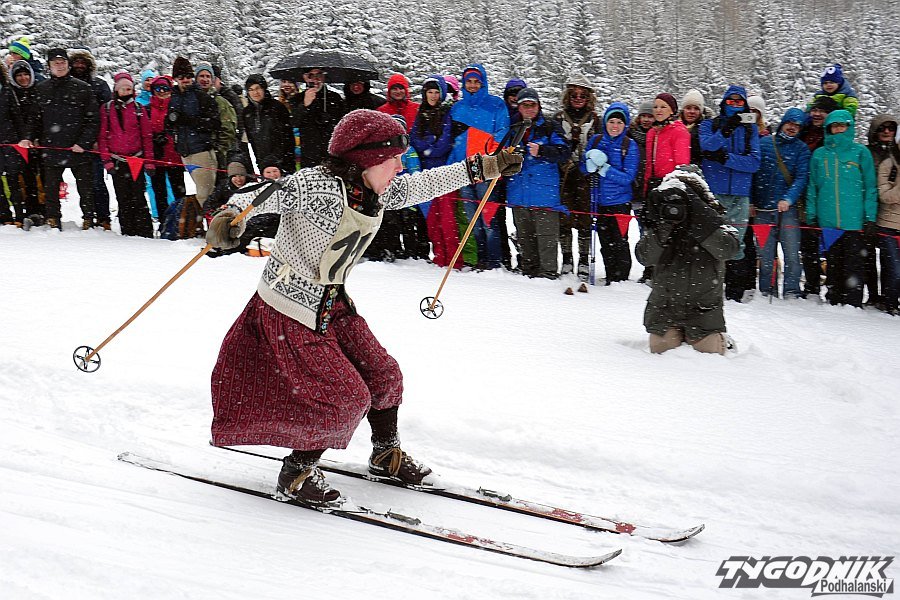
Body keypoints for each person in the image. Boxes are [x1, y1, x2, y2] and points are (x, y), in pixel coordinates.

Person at [204, 109, 522, 504]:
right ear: (366, 160)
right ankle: (297, 471)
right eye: (393, 160)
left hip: (331, 302)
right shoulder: (314, 186)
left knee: (384, 376)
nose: (400, 168)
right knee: (345, 396)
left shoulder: (377, 190)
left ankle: (385, 454)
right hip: (288, 308)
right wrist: (230, 216)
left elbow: (427, 182)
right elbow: (261, 195)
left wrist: (487, 166)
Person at [635, 165, 740, 354]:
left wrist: (699, 219)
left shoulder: (714, 218)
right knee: (661, 349)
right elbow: (645, 256)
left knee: (708, 352)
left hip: (703, 309)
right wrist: (664, 227)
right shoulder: (660, 220)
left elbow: (727, 249)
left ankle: (723, 340)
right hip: (665, 307)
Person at [806, 110, 878, 307]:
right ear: (828, 129)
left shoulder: (860, 152)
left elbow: (870, 187)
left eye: (842, 125)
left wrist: (870, 217)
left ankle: (853, 304)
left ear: (849, 127)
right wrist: (811, 215)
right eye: (834, 126)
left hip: (854, 221)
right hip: (828, 220)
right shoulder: (820, 154)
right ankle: (834, 301)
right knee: (833, 263)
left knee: (854, 265)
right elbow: (813, 186)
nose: (838, 129)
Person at [698, 85, 761, 302]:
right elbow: (707, 146)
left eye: (739, 101)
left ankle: (734, 292)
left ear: (745, 104)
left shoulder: (750, 129)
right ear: (724, 103)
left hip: (739, 194)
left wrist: (726, 159)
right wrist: (726, 130)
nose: (735, 105)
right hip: (714, 192)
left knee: (736, 243)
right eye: (731, 101)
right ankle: (708, 288)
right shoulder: (709, 124)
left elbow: (754, 162)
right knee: (710, 241)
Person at [26, 48, 99, 231]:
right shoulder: (41, 89)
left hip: (78, 148)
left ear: (68, 64)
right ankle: (53, 219)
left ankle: (89, 219)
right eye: (55, 63)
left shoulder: (82, 88)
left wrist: (84, 143)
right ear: (49, 66)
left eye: (63, 62)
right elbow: (34, 118)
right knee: (51, 189)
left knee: (86, 189)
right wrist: (29, 137)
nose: (60, 66)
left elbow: (93, 119)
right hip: (51, 147)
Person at [447, 63, 510, 270]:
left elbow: (502, 133)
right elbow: (454, 140)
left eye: (476, 81)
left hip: (485, 166)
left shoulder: (495, 105)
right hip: (463, 169)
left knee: (488, 217)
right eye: (469, 82)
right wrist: (451, 166)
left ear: (483, 83)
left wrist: (490, 159)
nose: (473, 85)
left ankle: (494, 261)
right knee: (472, 218)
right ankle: (481, 258)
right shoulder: (457, 108)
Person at [505, 88, 569, 279]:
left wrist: (542, 151)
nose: (529, 109)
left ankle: (548, 275)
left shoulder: (549, 126)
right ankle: (528, 273)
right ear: (519, 107)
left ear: (538, 106)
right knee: (525, 239)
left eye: (532, 105)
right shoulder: (512, 127)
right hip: (519, 192)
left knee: (547, 240)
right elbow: (499, 153)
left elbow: (564, 151)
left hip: (545, 194)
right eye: (525, 105)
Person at [750, 108, 811, 299]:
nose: (793, 128)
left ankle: (792, 290)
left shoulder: (801, 149)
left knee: (791, 253)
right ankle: (767, 289)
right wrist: (751, 201)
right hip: (762, 209)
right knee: (765, 255)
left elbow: (801, 178)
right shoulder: (765, 143)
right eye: (790, 123)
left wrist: (788, 199)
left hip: (788, 211)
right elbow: (753, 174)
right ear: (783, 123)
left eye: (797, 125)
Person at [581, 103, 640, 284]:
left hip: (620, 203)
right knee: (605, 242)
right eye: (611, 121)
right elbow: (584, 165)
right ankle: (610, 275)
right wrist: (588, 166)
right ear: (605, 122)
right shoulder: (596, 141)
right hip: (598, 201)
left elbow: (628, 177)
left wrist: (604, 169)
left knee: (620, 242)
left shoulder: (629, 145)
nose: (615, 126)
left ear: (625, 125)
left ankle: (620, 279)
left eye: (619, 123)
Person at [552, 74, 601, 278]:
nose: (578, 98)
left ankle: (583, 259)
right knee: (564, 218)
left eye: (582, 95)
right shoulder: (558, 118)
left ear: (589, 97)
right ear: (568, 96)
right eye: (574, 95)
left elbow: (599, 144)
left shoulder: (595, 120)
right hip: (564, 174)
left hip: (586, 176)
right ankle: (566, 258)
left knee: (585, 219)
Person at [410, 74, 460, 268]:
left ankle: (453, 258)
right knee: (431, 218)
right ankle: (439, 255)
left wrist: (429, 146)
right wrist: (430, 143)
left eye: (436, 92)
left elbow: (445, 143)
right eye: (429, 92)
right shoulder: (420, 114)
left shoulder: (446, 114)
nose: (432, 96)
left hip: (444, 172)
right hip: (425, 173)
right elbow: (415, 140)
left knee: (447, 218)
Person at [98, 72, 154, 238]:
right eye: (122, 89)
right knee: (123, 197)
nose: (126, 92)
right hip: (117, 161)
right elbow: (102, 137)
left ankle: (145, 231)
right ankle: (127, 231)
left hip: (136, 159)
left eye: (129, 89)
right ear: (116, 90)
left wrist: (149, 161)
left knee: (139, 197)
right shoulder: (107, 109)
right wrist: (106, 161)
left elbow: (146, 136)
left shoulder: (139, 109)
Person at [798, 96, 839, 299]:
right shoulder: (804, 132)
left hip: (830, 196)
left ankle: (834, 287)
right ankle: (812, 285)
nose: (817, 114)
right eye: (814, 110)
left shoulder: (835, 137)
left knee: (833, 244)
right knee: (808, 243)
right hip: (805, 193)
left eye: (822, 110)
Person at [167, 56, 220, 212]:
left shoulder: (201, 96)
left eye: (188, 76)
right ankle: (205, 222)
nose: (185, 80)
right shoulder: (174, 97)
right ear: (175, 79)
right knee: (201, 193)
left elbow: (215, 123)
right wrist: (170, 124)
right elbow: (171, 124)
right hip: (185, 153)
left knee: (205, 195)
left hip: (201, 151)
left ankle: (211, 224)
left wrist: (189, 121)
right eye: (181, 77)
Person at [70, 47, 113, 230]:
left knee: (97, 181)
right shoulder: (67, 85)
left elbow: (106, 114)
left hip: (95, 142)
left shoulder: (99, 85)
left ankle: (104, 217)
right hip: (73, 142)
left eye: (83, 62)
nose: (79, 65)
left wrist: (99, 139)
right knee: (82, 183)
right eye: (76, 62)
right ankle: (88, 215)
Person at [864, 114, 899, 309]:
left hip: (891, 213)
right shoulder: (867, 152)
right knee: (868, 255)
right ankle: (873, 295)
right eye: (882, 128)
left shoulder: (897, 153)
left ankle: (888, 297)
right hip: (871, 209)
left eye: (891, 128)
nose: (886, 131)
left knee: (890, 261)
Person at [7, 60, 43, 225]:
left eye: (26, 74)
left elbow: (40, 117)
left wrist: (36, 136)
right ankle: (29, 210)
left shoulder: (39, 90)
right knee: (25, 178)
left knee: (41, 178)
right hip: (19, 143)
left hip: (39, 142)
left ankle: (43, 210)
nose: (23, 78)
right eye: (19, 75)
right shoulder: (10, 93)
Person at [146, 75, 186, 221]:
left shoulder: (175, 106)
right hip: (156, 157)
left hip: (174, 156)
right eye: (158, 88)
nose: (162, 91)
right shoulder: (147, 109)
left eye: (165, 88)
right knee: (159, 193)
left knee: (179, 192)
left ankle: (182, 222)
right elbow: (144, 132)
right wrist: (154, 139)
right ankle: (164, 222)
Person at [290, 68, 345, 167]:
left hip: (331, 153)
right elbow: (294, 122)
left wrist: (329, 121)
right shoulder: (297, 99)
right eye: (311, 75)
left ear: (324, 77)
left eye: (319, 75)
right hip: (309, 153)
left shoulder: (335, 98)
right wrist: (305, 105)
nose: (315, 79)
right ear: (305, 77)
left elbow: (342, 124)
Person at [243, 74, 295, 175]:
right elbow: (252, 141)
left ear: (264, 89)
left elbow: (288, 138)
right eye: (251, 89)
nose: (255, 92)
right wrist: (259, 163)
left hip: (282, 163)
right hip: (263, 164)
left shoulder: (277, 107)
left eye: (258, 88)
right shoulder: (247, 113)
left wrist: (286, 163)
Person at [195, 62, 237, 185]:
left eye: (208, 76)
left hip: (217, 154)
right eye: (201, 76)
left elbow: (228, 128)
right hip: (197, 153)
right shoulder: (191, 100)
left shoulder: (220, 102)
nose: (205, 79)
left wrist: (219, 149)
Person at [629, 100, 655, 283]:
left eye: (650, 116)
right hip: (636, 191)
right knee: (643, 232)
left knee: (654, 232)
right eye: (643, 116)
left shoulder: (658, 135)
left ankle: (653, 268)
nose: (646, 120)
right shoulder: (631, 136)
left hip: (654, 191)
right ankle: (648, 268)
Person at [644, 93, 690, 194]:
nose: (658, 110)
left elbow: (682, 164)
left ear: (672, 111)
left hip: (670, 184)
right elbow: (649, 164)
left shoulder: (679, 131)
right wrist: (646, 186)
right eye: (655, 107)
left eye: (663, 107)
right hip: (654, 183)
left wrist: (675, 186)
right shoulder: (652, 132)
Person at [0, 62, 29, 226]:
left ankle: (19, 215)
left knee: (13, 179)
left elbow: (17, 116)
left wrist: (23, 137)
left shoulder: (6, 90)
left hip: (9, 142)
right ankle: (4, 215)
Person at [876, 128, 900, 315]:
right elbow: (884, 196)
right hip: (888, 225)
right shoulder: (888, 164)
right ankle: (890, 304)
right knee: (894, 270)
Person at [678, 89, 707, 164]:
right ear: (683, 110)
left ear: (701, 112)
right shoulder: (673, 127)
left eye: (696, 108)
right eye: (688, 108)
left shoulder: (706, 129)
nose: (692, 112)